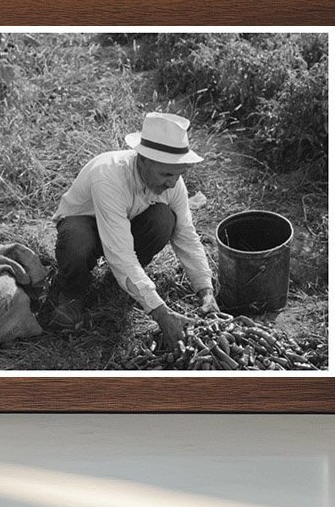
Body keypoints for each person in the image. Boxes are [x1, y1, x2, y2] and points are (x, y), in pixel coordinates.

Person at [51, 111, 221, 348]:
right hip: (84, 223)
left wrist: (206, 289)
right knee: (77, 242)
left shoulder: (172, 182)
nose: (173, 183)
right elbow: (120, 254)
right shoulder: (109, 176)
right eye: (166, 174)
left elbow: (187, 236)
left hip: (124, 226)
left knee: (164, 220)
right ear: (142, 160)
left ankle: (121, 280)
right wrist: (161, 313)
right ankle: (71, 293)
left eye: (178, 174)